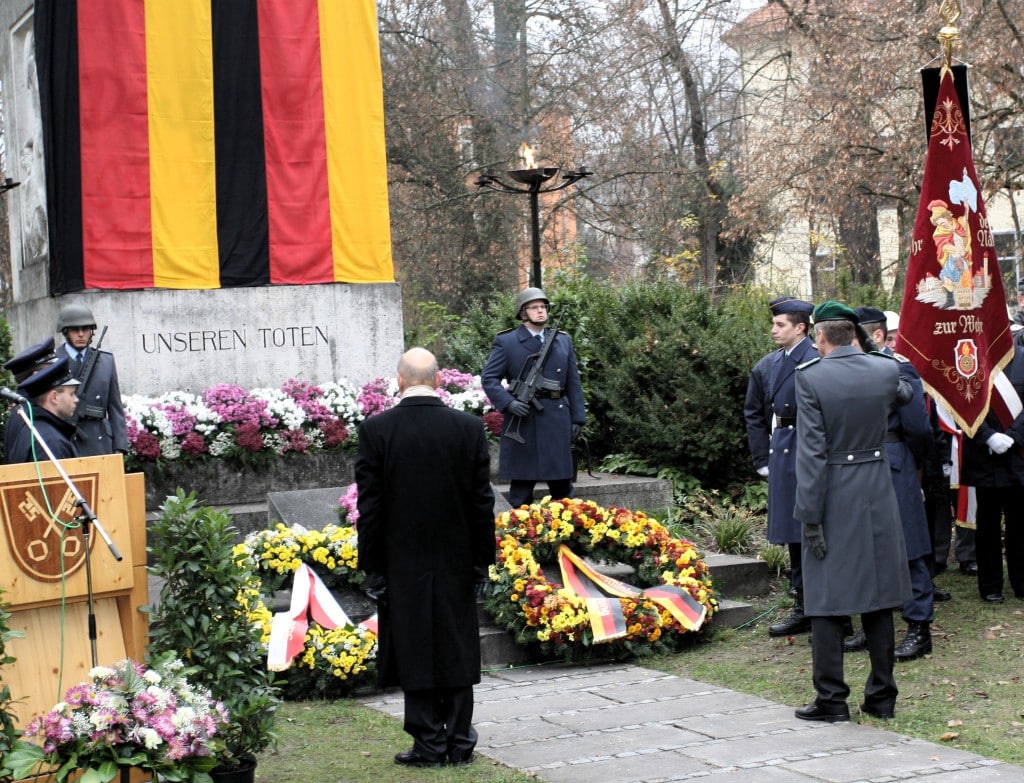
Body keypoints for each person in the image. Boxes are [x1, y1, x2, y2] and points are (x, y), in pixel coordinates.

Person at [356, 347, 496, 768]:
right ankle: (458, 739)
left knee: (414, 644)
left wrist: (373, 565)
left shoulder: (377, 430)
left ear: (399, 380)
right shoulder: (468, 428)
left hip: (404, 560)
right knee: (455, 642)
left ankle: (429, 743)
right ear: (438, 381)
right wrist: (481, 561)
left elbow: (371, 506)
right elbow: (481, 502)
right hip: (455, 557)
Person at [792, 301, 912, 722]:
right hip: (877, 487)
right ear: (855, 334)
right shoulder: (884, 368)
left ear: (820, 337)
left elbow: (810, 453)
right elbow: (904, 393)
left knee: (825, 598)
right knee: (879, 596)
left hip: (834, 491)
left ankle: (831, 700)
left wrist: (809, 514)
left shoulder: (809, 378)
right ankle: (882, 697)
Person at [841, 307, 938, 662]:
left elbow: (918, 426)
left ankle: (918, 627)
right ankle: (872, 624)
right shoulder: (845, 371)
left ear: (874, 337)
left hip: (893, 460)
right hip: (856, 464)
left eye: (850, 338)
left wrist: (919, 466)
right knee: (867, 548)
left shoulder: (896, 367)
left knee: (907, 546)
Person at [742, 296, 817, 636]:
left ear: (800, 327)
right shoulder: (769, 364)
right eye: (774, 324)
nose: (773, 330)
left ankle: (825, 608)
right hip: (783, 452)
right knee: (793, 533)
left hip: (810, 450)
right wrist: (762, 459)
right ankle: (803, 604)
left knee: (814, 530)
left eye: (780, 324)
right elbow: (754, 412)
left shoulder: (816, 358)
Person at [481, 288, 586, 508]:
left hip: (556, 417)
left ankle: (568, 536)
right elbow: (489, 378)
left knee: (563, 489)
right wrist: (509, 403)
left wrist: (577, 418)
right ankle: (519, 537)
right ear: (522, 313)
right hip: (524, 418)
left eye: (543, 307)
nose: (540, 312)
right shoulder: (507, 341)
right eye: (534, 307)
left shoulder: (562, 340)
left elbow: (573, 382)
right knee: (521, 488)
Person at [958, 343, 1024, 603]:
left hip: (1019, 455)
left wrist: (1015, 436)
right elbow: (962, 404)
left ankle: (1021, 581)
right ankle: (990, 585)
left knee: (1020, 524)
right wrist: (988, 436)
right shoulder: (971, 361)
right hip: (983, 455)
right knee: (987, 526)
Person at [57, 303, 128, 456]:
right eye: (75, 330)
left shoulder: (106, 361)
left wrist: (119, 447)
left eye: (86, 329)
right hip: (64, 442)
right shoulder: (53, 361)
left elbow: (115, 407)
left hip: (99, 443)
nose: (81, 334)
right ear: (66, 332)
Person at [3, 356, 82, 464]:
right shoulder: (51, 442)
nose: (76, 399)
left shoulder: (36, 429)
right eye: (71, 394)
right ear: (54, 397)